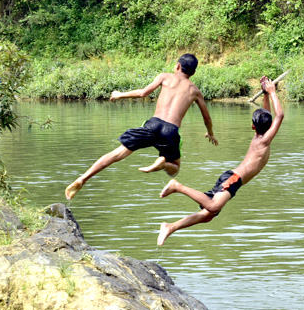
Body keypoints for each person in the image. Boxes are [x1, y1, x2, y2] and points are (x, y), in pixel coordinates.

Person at [64, 53, 218, 200]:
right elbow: (207, 118)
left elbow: (143, 93)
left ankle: (83, 178)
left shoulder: (165, 77)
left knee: (118, 153)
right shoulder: (195, 91)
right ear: (194, 72)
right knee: (175, 168)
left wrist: (119, 94)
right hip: (171, 130)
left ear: (177, 66)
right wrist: (210, 133)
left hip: (153, 124)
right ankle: (163, 164)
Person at [156, 75, 284, 246]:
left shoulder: (261, 137)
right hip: (233, 180)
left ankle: (170, 227)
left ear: (253, 126)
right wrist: (273, 92)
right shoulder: (263, 140)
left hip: (233, 180)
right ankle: (177, 186)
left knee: (207, 216)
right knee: (213, 207)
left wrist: (266, 94)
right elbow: (279, 115)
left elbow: (269, 114)